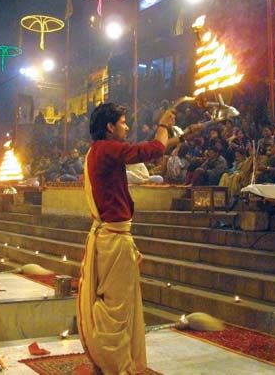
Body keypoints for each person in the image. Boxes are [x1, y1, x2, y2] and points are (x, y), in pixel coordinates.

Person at [77, 102, 175, 375]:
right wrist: (163, 126)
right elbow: (152, 150)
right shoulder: (108, 149)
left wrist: (170, 135)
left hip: (111, 237)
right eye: (122, 122)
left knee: (113, 302)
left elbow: (150, 149)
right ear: (110, 127)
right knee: (117, 307)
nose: (127, 126)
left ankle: (104, 360)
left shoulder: (98, 151)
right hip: (114, 240)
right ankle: (115, 364)